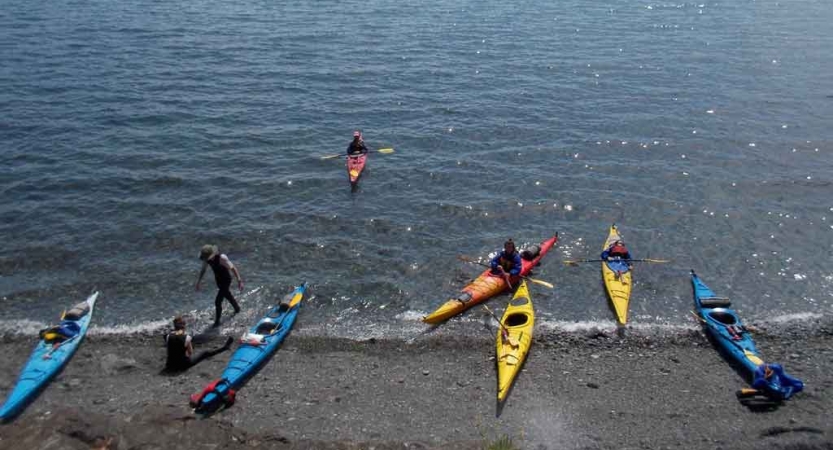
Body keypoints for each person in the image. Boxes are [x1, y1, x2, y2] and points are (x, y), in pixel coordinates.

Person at [196, 245, 244, 327]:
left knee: (218, 301)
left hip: (226, 280)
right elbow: (203, 270)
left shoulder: (222, 258)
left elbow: (233, 268)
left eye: (207, 258)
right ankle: (237, 309)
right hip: (218, 280)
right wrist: (199, 282)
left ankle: (217, 322)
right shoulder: (207, 259)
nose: (206, 260)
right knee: (227, 295)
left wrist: (239, 280)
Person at [164, 316, 233, 373]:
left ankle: (225, 347)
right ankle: (225, 347)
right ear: (184, 326)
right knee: (205, 353)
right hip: (183, 366)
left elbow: (170, 350)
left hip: (170, 365)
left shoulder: (168, 336)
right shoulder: (187, 337)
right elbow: (190, 352)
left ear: (174, 326)